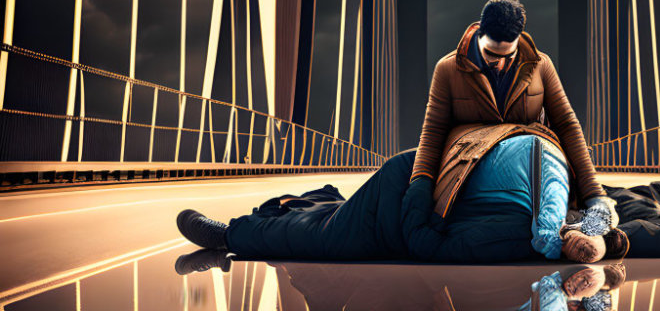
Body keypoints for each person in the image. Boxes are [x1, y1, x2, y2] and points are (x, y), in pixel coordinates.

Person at [175, 135, 629, 266]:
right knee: (328, 240)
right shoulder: (548, 183)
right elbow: (551, 232)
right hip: (409, 187)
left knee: (331, 226)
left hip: (420, 192)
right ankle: (232, 233)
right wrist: (571, 243)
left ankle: (314, 202)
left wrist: (596, 231)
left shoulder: (549, 185)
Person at [407, 0, 618, 230]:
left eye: (508, 56)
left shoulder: (541, 65)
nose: (499, 63)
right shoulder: (448, 69)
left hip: (528, 171)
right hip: (471, 171)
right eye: (491, 54)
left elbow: (567, 125)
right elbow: (434, 130)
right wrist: (421, 182)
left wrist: (593, 194)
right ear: (479, 34)